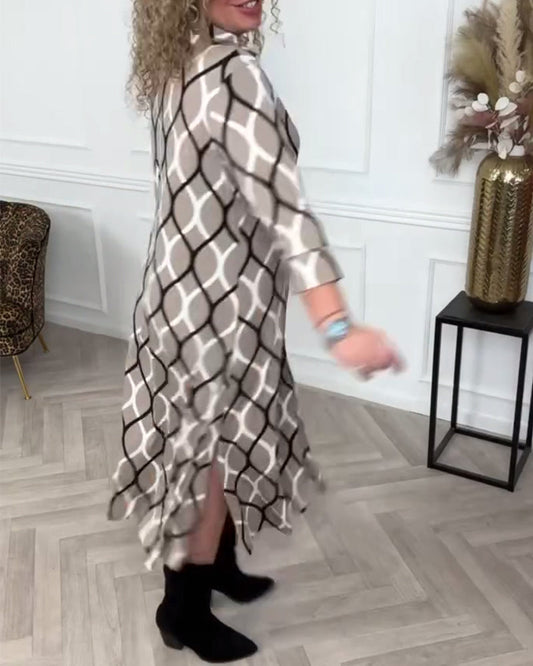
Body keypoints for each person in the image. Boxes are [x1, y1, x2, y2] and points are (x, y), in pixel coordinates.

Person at [107, 0, 402, 662]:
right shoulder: (234, 74)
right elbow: (289, 216)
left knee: (211, 452)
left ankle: (218, 569)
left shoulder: (180, 64)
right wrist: (339, 328)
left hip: (180, 299)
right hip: (218, 316)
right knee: (207, 463)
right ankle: (182, 611)